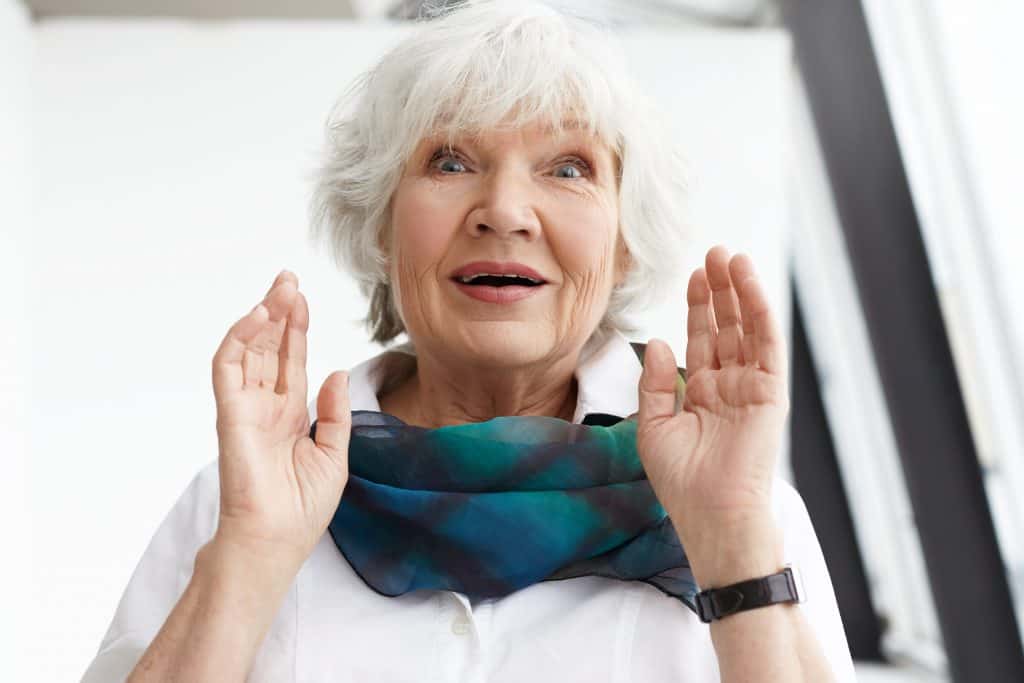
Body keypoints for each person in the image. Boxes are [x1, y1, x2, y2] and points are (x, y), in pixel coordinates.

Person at [82, 1, 856, 681]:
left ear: (624, 241)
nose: (505, 210)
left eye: (568, 167)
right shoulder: (243, 497)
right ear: (381, 223)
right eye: (450, 161)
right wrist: (249, 554)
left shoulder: (740, 506)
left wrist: (731, 541)